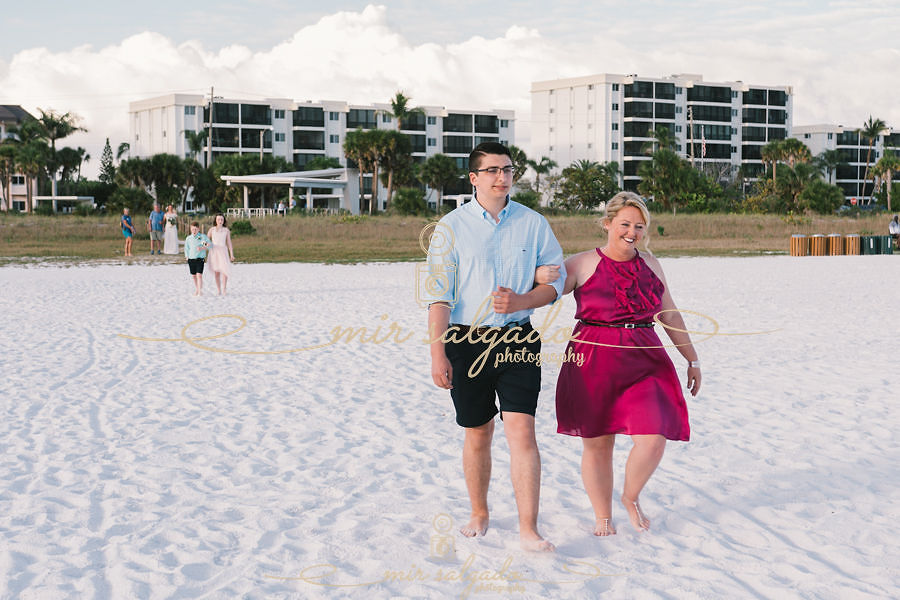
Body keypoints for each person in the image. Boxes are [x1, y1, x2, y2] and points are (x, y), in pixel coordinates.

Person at [426, 142, 566, 552]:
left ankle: (529, 528)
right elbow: (439, 297)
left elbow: (554, 284)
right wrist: (437, 353)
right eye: (491, 171)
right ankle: (480, 512)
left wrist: (524, 300)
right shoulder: (449, 228)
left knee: (522, 431)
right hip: (466, 341)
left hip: (518, 337)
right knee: (478, 432)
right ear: (474, 178)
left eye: (507, 170)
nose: (501, 177)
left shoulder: (534, 223)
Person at [537, 191, 700, 537]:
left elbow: (669, 313)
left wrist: (692, 358)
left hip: (645, 356)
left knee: (653, 438)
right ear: (608, 223)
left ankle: (630, 496)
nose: (632, 232)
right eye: (625, 223)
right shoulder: (582, 264)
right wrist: (538, 276)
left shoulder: (652, 264)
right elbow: (547, 293)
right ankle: (602, 516)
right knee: (598, 442)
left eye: (639, 226)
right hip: (593, 357)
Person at [207, 213, 235, 296]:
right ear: (215, 220)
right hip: (214, 251)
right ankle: (218, 289)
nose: (220, 221)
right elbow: (205, 240)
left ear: (224, 221)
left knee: (225, 271)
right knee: (216, 272)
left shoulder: (226, 230)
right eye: (218, 219)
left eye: (222, 219)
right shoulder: (211, 230)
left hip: (223, 251)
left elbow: (229, 243)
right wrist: (206, 247)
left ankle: (224, 289)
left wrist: (231, 254)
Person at [183, 221, 211, 296]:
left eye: (195, 229)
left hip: (200, 259)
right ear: (190, 229)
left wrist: (202, 248)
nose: (194, 231)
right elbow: (186, 248)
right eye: (192, 229)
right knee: (194, 276)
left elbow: (209, 246)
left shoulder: (202, 237)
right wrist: (187, 257)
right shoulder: (188, 238)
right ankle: (197, 288)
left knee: (199, 275)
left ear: (198, 229)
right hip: (191, 259)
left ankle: (199, 291)